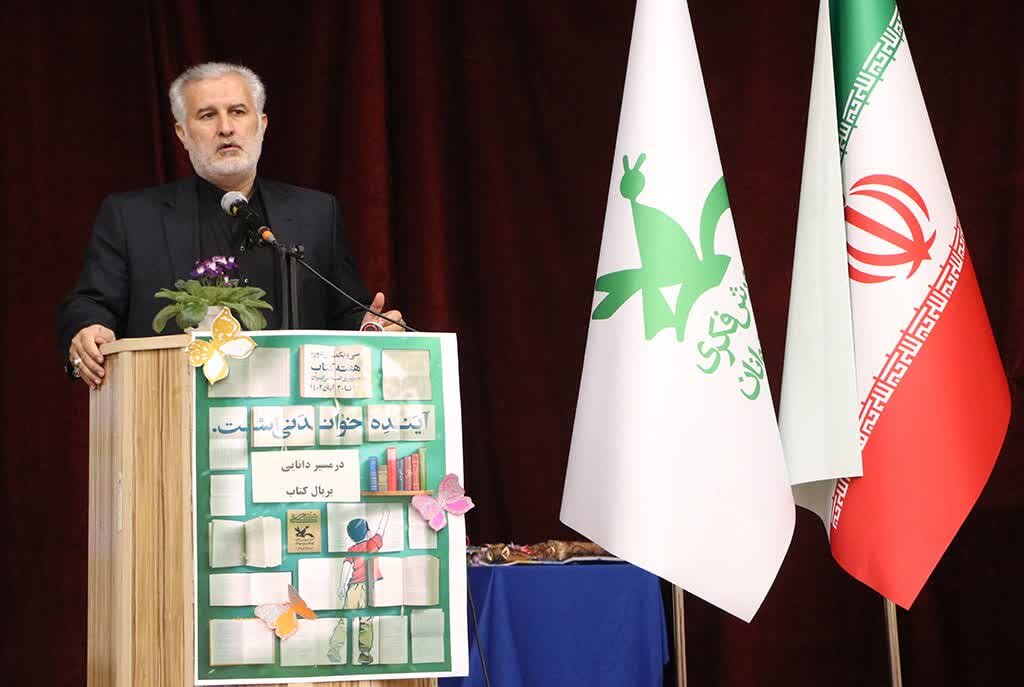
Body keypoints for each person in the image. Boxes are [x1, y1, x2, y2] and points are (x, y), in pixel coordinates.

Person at [57, 62, 403, 388]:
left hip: (288, 415)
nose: (225, 128)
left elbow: (345, 311)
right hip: (169, 405)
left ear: (261, 124)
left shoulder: (316, 213)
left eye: (237, 111)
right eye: (207, 115)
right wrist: (87, 330)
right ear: (182, 134)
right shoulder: (132, 217)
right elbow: (90, 304)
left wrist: (371, 327)